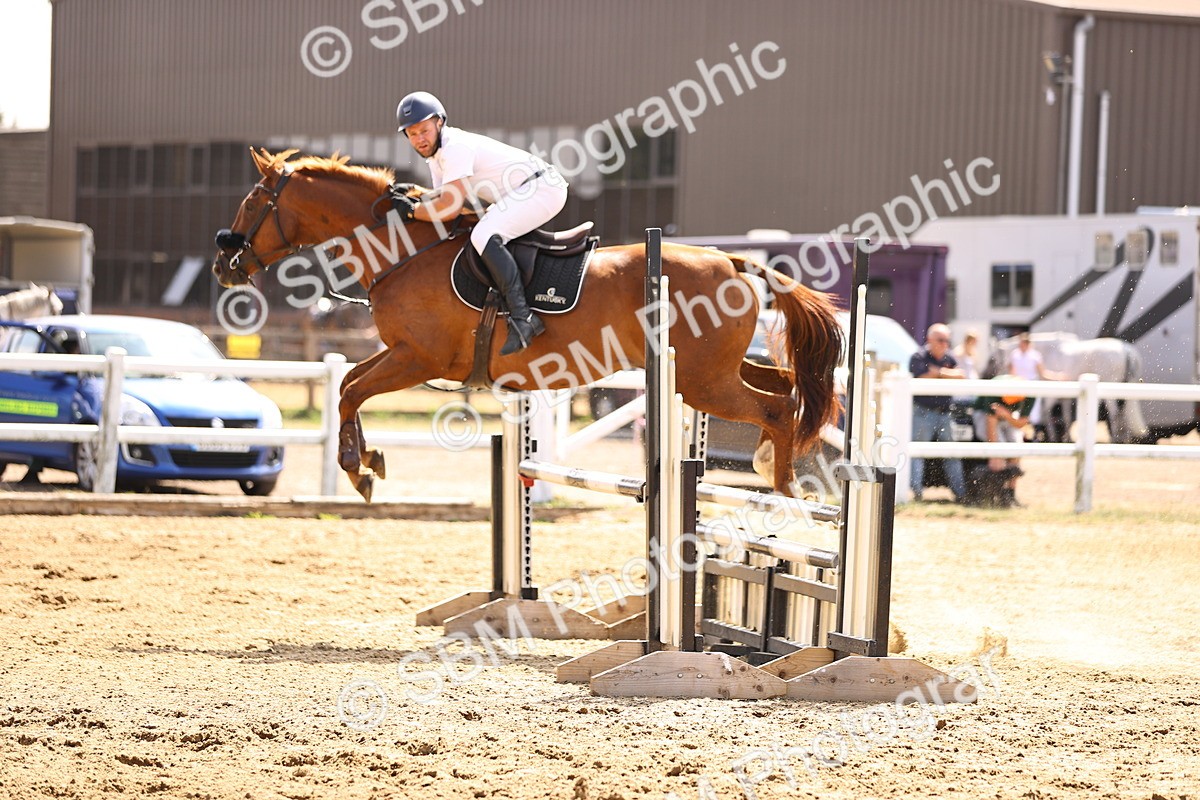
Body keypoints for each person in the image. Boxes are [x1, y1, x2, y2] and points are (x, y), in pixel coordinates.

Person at [393, 91, 568, 355]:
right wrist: (413, 196)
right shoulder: (437, 157)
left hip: (541, 188)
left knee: (483, 235)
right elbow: (443, 200)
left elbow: (449, 207)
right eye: (412, 133)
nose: (419, 139)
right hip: (522, 192)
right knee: (480, 231)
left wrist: (411, 211)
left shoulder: (455, 148)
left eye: (424, 131)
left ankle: (523, 318)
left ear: (440, 122)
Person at [908, 323, 967, 502]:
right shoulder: (918, 356)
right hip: (923, 412)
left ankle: (960, 494)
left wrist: (937, 372)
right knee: (918, 452)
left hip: (945, 413)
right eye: (941, 340)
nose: (944, 344)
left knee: (951, 453)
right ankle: (916, 493)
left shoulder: (949, 357)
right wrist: (948, 373)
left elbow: (961, 375)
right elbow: (921, 376)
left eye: (947, 340)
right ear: (930, 340)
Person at [971, 376, 1036, 508]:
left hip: (1008, 415)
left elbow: (1022, 423)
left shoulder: (1029, 393)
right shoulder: (994, 391)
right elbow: (991, 424)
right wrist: (995, 452)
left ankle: (1010, 495)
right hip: (984, 414)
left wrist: (1006, 415)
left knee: (1016, 449)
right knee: (998, 453)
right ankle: (997, 495)